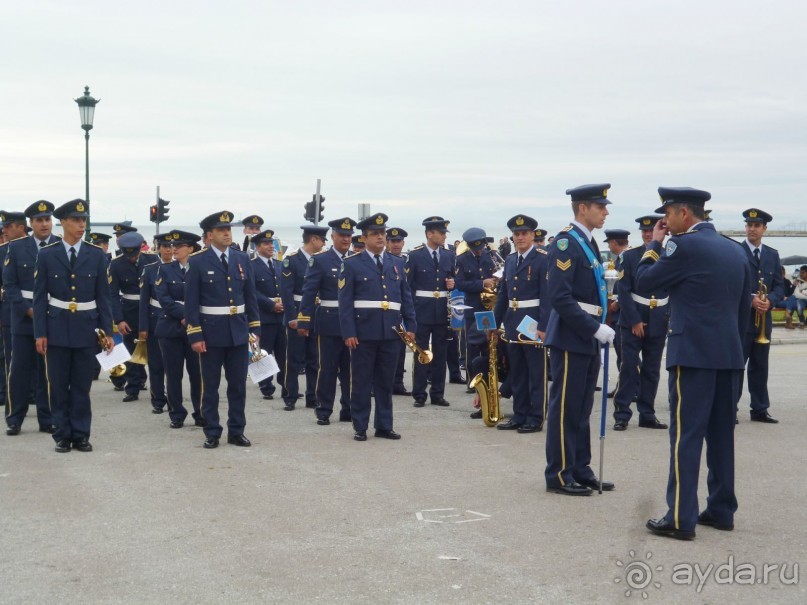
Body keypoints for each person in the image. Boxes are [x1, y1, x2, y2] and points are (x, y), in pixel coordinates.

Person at [638, 187, 751, 540]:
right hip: (730, 355)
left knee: (685, 437)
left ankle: (680, 517)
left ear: (684, 214)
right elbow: (743, 310)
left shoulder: (683, 246)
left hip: (694, 356)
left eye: (668, 216)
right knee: (721, 436)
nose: (664, 224)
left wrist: (652, 247)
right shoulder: (735, 250)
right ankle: (721, 510)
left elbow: (644, 283)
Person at [544, 183, 615, 496]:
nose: (605, 212)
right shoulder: (565, 244)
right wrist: (592, 328)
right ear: (583, 208)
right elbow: (560, 297)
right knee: (565, 408)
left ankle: (580, 468)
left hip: (587, 334)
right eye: (600, 207)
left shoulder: (589, 242)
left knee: (583, 406)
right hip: (573, 335)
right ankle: (559, 473)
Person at [33, 199, 114, 453]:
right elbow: (38, 298)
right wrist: (40, 333)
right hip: (56, 328)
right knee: (57, 386)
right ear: (64, 222)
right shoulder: (47, 255)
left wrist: (107, 332)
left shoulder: (96, 255)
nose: (81, 225)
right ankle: (61, 435)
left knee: (81, 386)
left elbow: (103, 296)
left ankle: (81, 435)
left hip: (86, 329)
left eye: (84, 220)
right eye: (76, 220)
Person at [184, 211, 261, 449]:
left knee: (238, 385)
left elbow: (250, 296)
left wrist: (254, 329)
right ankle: (212, 431)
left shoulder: (241, 259)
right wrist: (195, 334)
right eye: (221, 230)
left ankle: (236, 430)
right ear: (209, 235)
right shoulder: (197, 261)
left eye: (228, 229)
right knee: (211, 386)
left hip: (238, 331)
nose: (227, 233)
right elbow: (191, 302)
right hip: (210, 333)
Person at [338, 212, 416, 441]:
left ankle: (384, 425)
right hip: (363, 332)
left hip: (391, 331)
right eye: (375, 234)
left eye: (382, 233)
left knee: (385, 381)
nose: (381, 237)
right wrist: (349, 332)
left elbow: (405, 297)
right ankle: (360, 426)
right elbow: (345, 302)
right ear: (364, 238)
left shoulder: (397, 263)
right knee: (361, 381)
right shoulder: (351, 264)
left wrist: (411, 324)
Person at [4, 201, 60, 435]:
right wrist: (27, 310)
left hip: (52, 318)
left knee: (47, 372)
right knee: (19, 371)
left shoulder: (60, 245)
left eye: (47, 219)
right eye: (39, 220)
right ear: (30, 224)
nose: (44, 224)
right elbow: (10, 285)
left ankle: (46, 420)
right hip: (24, 319)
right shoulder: (16, 248)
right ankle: (15, 418)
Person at [493, 214, 549, 433]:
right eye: (517, 234)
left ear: (533, 235)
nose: (520, 238)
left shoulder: (543, 259)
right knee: (518, 372)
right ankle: (520, 414)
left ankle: (536, 417)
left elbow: (547, 297)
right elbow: (503, 295)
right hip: (514, 322)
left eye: (524, 233)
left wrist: (544, 326)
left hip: (533, 321)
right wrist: (494, 323)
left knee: (536, 373)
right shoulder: (509, 260)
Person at [612, 217, 669, 431]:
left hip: (659, 319)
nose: (647, 234)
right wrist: (635, 320)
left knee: (652, 370)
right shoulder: (629, 256)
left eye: (650, 230)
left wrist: (668, 316)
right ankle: (622, 414)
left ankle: (647, 414)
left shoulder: (668, 255)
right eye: (644, 231)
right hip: (633, 320)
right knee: (629, 367)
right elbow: (623, 292)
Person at [297, 218, 356, 424]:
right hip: (329, 322)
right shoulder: (320, 260)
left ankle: (348, 409)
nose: (346, 239)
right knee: (328, 369)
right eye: (342, 235)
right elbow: (309, 291)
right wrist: (304, 321)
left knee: (350, 370)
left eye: (349, 236)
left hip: (353, 324)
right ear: (332, 236)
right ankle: (324, 409)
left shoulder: (356, 260)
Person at [153, 230, 204, 429]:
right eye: (172, 246)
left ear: (190, 248)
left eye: (179, 246)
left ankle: (200, 412)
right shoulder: (165, 270)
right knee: (173, 374)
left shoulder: (199, 268)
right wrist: (185, 315)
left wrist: (191, 317)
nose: (174, 250)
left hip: (196, 330)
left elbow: (205, 297)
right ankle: (176, 413)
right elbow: (163, 298)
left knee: (197, 374)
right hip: (171, 329)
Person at [739, 208, 783, 424]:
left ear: (764, 228)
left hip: (763, 321)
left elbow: (779, 287)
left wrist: (770, 300)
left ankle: (759, 408)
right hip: (742, 320)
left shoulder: (772, 255)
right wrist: (750, 299)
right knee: (737, 365)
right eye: (749, 225)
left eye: (756, 226)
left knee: (760, 366)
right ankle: (729, 407)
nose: (752, 229)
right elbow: (731, 284)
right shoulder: (737, 252)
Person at [406, 217, 455, 408]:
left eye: (444, 233)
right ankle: (419, 394)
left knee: (440, 354)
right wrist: (409, 313)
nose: (443, 236)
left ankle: (437, 393)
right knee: (422, 352)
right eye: (440, 233)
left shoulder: (449, 255)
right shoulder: (416, 255)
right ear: (429, 234)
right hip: (422, 309)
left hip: (441, 310)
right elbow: (408, 286)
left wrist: (452, 283)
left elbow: (452, 277)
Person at [280, 225, 327, 411]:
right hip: (298, 311)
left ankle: (312, 395)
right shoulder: (291, 260)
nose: (323, 244)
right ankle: (290, 395)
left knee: (314, 358)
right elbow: (286, 292)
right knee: (293, 358)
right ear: (313, 239)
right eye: (322, 240)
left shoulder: (321, 260)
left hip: (316, 313)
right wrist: (292, 318)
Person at [108, 232, 158, 402]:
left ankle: (157, 389)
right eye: (128, 254)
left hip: (151, 310)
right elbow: (113, 294)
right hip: (129, 310)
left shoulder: (152, 259)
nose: (131, 258)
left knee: (154, 351)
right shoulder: (115, 265)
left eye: (134, 254)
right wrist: (119, 320)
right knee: (130, 351)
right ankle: (132, 388)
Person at [455, 228, 498, 392]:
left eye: (481, 248)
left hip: (488, 307)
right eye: (475, 248)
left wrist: (495, 281)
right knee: (471, 345)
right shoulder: (462, 260)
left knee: (488, 343)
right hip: (472, 307)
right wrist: (482, 284)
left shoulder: (491, 257)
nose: (479, 251)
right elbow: (460, 284)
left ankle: (487, 378)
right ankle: (472, 381)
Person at [250, 228, 287, 402]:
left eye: (271, 243)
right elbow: (252, 292)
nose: (270, 246)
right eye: (266, 243)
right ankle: (266, 386)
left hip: (282, 316)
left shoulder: (280, 265)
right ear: (258, 247)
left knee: (284, 352)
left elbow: (287, 288)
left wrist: (285, 304)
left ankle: (286, 385)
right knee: (264, 351)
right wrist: (271, 305)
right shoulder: (252, 266)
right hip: (264, 315)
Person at [137, 233, 172, 414]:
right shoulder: (150, 270)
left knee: (172, 366)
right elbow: (143, 301)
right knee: (156, 364)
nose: (168, 250)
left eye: (171, 246)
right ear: (158, 248)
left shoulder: (184, 267)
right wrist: (143, 327)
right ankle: (158, 399)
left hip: (175, 321)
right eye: (165, 246)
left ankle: (174, 400)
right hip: (155, 319)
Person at [386, 227, 412, 396]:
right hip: (386, 310)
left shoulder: (406, 261)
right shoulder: (385, 261)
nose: (396, 245)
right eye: (392, 241)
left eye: (399, 241)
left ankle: (397, 383)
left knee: (400, 350)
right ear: (387, 243)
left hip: (402, 310)